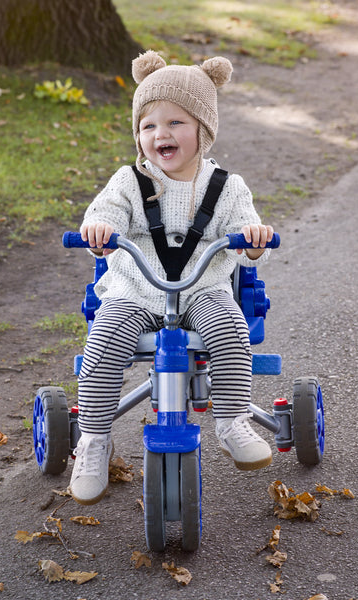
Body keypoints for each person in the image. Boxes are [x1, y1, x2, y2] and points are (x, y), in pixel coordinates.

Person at [70, 50, 276, 505]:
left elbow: (245, 234)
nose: (160, 134)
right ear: (138, 136)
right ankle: (94, 439)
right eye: (148, 126)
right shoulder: (128, 182)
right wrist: (100, 232)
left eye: (175, 123)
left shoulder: (227, 186)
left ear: (203, 129)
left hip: (202, 290)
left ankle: (232, 420)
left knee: (229, 328)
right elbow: (103, 215)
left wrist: (253, 239)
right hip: (136, 292)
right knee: (103, 343)